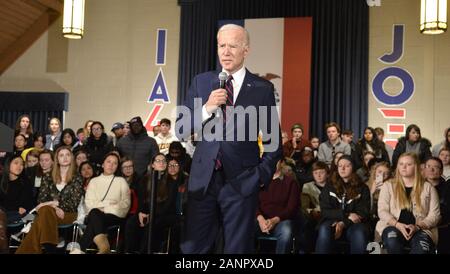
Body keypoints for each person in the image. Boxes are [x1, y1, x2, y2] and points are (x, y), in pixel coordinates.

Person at [176, 24, 282, 253]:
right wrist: (207, 107)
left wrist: (259, 176)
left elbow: (274, 143)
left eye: (232, 46)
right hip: (203, 182)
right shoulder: (201, 82)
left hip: (242, 183)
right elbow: (181, 128)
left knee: (237, 251)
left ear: (246, 49)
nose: (226, 51)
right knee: (194, 249)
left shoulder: (263, 88)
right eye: (221, 45)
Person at [376, 153, 440, 254]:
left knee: (421, 250)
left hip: (420, 229)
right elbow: (382, 211)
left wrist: (418, 226)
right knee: (393, 243)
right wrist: (397, 224)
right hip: (392, 226)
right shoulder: (388, 186)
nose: (404, 167)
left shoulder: (428, 188)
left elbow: (435, 215)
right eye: (401, 164)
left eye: (408, 164)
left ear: (416, 167)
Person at [71, 152, 130, 254]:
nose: (111, 165)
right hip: (94, 215)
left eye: (115, 163)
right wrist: (110, 203)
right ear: (103, 164)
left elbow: (125, 205)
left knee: (94, 215)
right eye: (108, 162)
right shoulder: (94, 181)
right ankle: (104, 248)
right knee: (94, 213)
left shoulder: (121, 181)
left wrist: (104, 208)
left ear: (117, 167)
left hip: (113, 217)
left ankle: (80, 249)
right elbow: (89, 204)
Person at [315, 155, 370, 254]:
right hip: (332, 221)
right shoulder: (329, 186)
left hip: (353, 224)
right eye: (340, 166)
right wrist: (346, 215)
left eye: (347, 166)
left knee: (359, 233)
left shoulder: (362, 188)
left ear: (353, 168)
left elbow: (363, 212)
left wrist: (343, 223)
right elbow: (325, 211)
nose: (343, 168)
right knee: (324, 229)